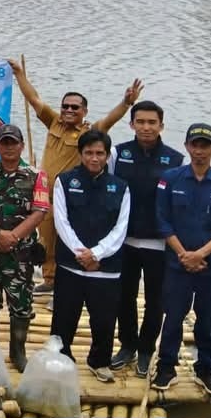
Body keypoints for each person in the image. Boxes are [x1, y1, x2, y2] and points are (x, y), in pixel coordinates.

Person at [7, 58, 141, 293]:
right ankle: (49, 280)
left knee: (66, 242)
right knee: (46, 240)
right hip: (44, 196)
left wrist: (127, 102)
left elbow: (110, 120)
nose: (69, 110)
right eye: (65, 106)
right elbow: (34, 99)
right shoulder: (54, 123)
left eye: (75, 107)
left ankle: (63, 286)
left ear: (84, 111)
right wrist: (19, 73)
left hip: (70, 197)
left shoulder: (89, 133)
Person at [151, 123, 211, 398]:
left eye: (205, 146)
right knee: (173, 317)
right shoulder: (170, 179)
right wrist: (183, 254)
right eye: (195, 145)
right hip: (177, 264)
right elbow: (162, 221)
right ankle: (166, 367)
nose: (199, 151)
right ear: (187, 147)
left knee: (208, 321)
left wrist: (200, 255)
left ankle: (206, 370)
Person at [108, 100, 184, 376]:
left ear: (161, 125)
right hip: (124, 240)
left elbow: (177, 204)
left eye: (152, 122)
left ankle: (146, 349)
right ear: (131, 124)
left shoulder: (175, 160)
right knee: (123, 297)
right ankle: (127, 345)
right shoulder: (118, 154)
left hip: (159, 243)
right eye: (140, 122)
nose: (146, 127)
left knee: (156, 301)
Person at [49, 129, 130, 383]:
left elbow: (121, 228)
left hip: (106, 268)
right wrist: (81, 253)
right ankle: (60, 358)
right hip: (71, 265)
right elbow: (61, 221)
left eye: (100, 153)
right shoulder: (64, 181)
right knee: (64, 317)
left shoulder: (121, 187)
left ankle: (100, 361)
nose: (94, 158)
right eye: (89, 153)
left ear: (107, 156)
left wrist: (96, 253)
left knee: (104, 320)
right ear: (80, 154)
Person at [0, 123, 49, 372]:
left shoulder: (36, 175)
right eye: (4, 143)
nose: (8, 147)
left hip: (21, 255)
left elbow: (40, 211)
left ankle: (18, 352)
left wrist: (13, 236)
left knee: (21, 305)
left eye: (13, 143)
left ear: (22, 146)